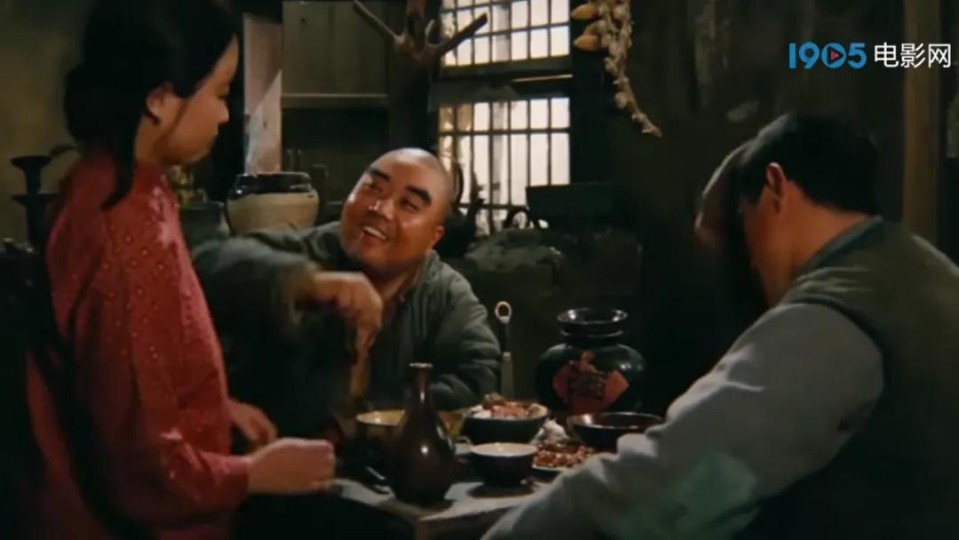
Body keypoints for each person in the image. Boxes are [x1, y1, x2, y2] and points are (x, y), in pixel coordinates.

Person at [483, 113, 959, 539]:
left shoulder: (834, 315)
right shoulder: (927, 272)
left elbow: (663, 487)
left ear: (776, 188)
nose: (749, 261)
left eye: (743, 221)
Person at [23, 1, 339, 538]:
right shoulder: (118, 227)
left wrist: (213, 406)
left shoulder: (130, 184)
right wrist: (256, 474)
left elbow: (132, 372)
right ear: (159, 100)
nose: (224, 114)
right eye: (219, 93)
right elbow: (141, 470)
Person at [193, 148, 500, 440]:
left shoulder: (446, 295)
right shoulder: (307, 253)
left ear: (434, 237)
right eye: (373, 188)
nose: (380, 208)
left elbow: (478, 377)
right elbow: (202, 267)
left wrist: (364, 421)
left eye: (408, 204)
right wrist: (304, 282)